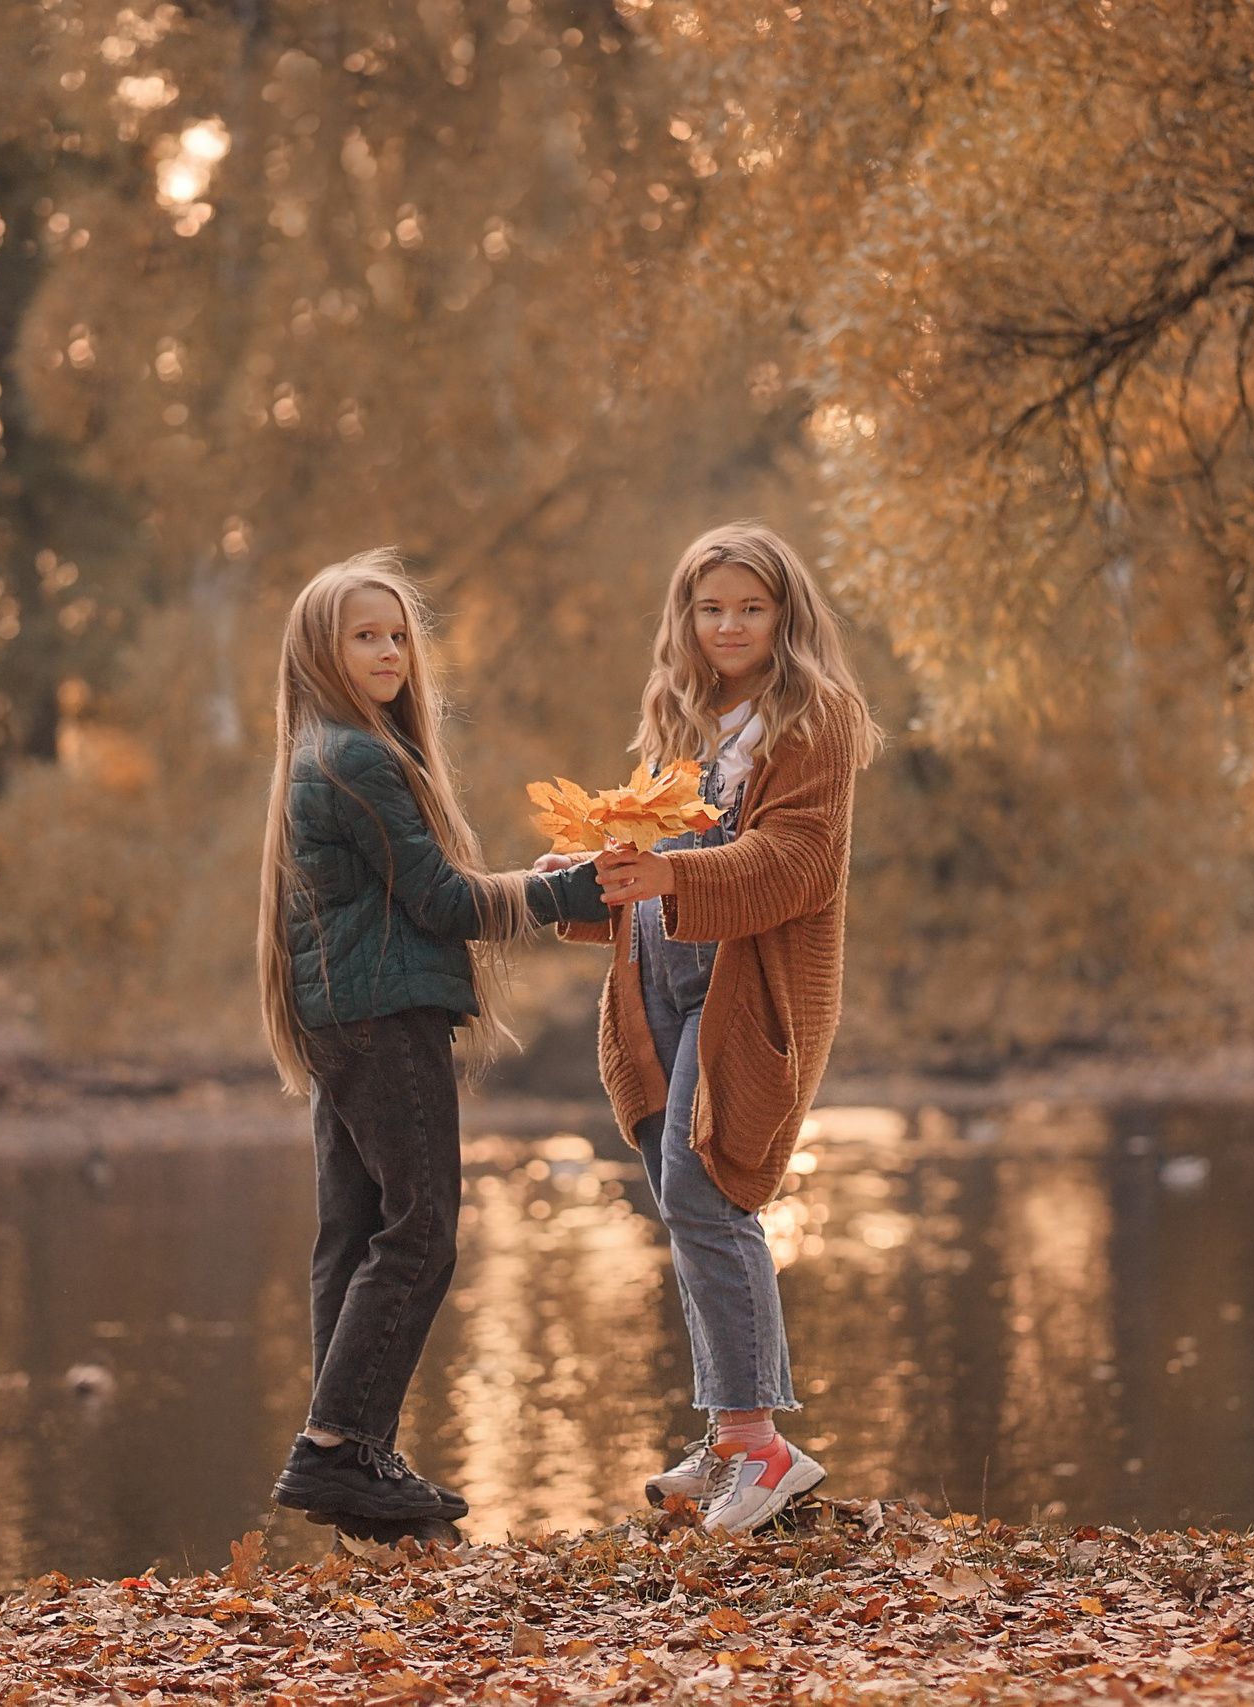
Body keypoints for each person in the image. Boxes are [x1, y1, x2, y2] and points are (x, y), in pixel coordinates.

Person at [255, 548, 608, 1528]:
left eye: (397, 634)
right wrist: (566, 892)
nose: (387, 652)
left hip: (343, 1019)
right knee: (420, 1236)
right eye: (363, 636)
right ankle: (334, 1450)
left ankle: (353, 1455)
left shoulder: (320, 752)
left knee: (353, 1238)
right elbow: (446, 902)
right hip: (384, 1019)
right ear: (319, 654)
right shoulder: (358, 759)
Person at [556, 521, 883, 1534]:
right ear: (684, 619)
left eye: (750, 608)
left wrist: (673, 874)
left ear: (784, 614)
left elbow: (795, 862)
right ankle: (730, 1435)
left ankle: (762, 1443)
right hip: (657, 966)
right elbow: (640, 853)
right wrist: (580, 880)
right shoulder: (681, 715)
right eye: (710, 609)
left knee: (712, 1181)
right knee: (676, 1191)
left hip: (746, 982)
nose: (729, 626)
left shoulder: (814, 719)